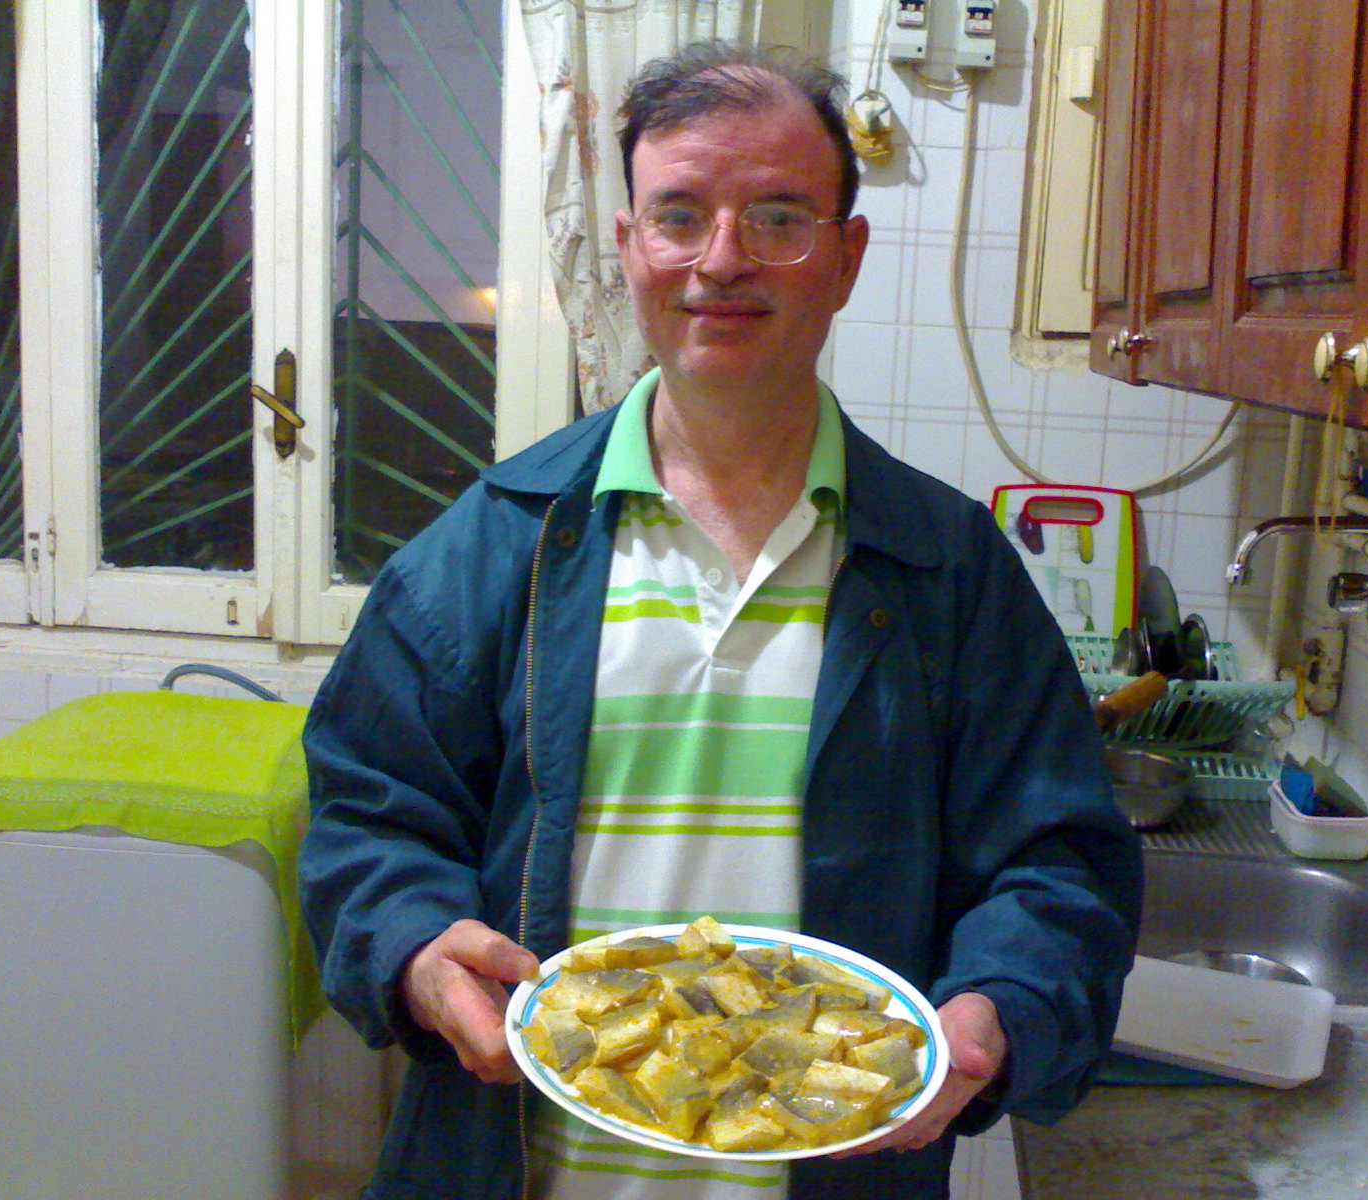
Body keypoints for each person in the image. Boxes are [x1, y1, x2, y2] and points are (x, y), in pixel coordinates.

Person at [299, 40, 1142, 1200]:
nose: (721, 260)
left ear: (845, 258)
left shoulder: (949, 573)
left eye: (779, 218)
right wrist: (411, 943)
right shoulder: (494, 546)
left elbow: (1057, 869)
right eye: (679, 216)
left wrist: (1002, 1001)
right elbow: (366, 818)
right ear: (628, 246)